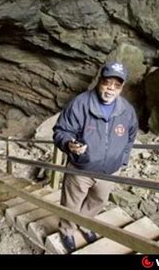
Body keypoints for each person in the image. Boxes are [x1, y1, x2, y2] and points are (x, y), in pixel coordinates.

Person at [52, 61, 138, 253]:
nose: (110, 89)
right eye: (107, 83)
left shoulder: (127, 110)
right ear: (100, 81)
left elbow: (131, 137)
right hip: (81, 168)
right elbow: (61, 131)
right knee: (71, 204)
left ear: (121, 87)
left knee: (98, 201)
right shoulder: (80, 103)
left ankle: (85, 222)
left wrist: (122, 160)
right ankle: (67, 230)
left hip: (109, 171)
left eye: (116, 86)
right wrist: (69, 144)